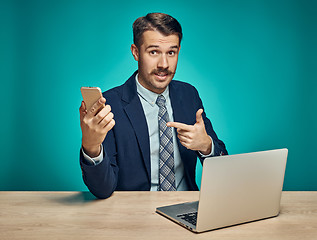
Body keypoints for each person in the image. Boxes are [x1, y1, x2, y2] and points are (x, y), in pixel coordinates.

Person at [79, 13, 228, 199]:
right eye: (154, 52)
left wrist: (206, 146)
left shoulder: (189, 95)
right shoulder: (110, 105)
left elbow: (224, 169)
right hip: (133, 215)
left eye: (171, 52)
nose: (164, 64)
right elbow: (103, 189)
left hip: (185, 207)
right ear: (135, 52)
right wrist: (91, 146)